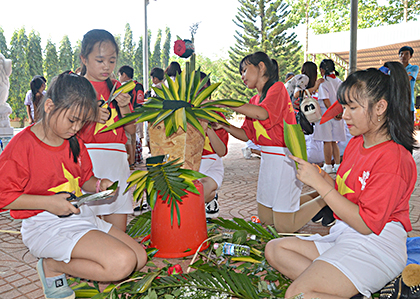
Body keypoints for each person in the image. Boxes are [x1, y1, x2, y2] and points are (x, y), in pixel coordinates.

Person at [265, 61, 417, 299]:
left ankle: (329, 285)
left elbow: (366, 224)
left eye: (352, 108)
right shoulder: (359, 142)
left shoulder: (394, 160)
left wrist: (320, 186)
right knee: (275, 249)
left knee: (298, 294)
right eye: (344, 107)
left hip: (376, 244)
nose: (344, 115)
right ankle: (343, 289)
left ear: (380, 107)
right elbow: (348, 192)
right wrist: (324, 179)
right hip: (347, 234)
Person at [0, 72, 147, 299]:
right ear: (49, 105)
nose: (76, 128)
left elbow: (84, 180)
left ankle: (77, 269)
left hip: (79, 218)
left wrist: (99, 185)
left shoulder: (74, 142)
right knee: (122, 262)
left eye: (82, 122)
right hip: (44, 225)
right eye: (72, 120)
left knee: (139, 258)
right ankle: (53, 266)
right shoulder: (23, 145)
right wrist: (48, 203)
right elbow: (4, 196)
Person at [216, 52, 325, 233]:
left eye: (245, 70)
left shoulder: (277, 88)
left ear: (261, 67)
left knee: (284, 227)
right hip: (268, 160)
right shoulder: (254, 100)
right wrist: (222, 125)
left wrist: (226, 103)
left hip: (285, 160)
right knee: (267, 220)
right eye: (240, 72)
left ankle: (326, 199)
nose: (242, 76)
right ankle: (319, 195)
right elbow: (245, 134)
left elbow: (263, 113)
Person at [78, 29, 136, 232]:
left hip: (117, 161)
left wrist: (124, 107)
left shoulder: (117, 87)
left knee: (118, 233)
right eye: (100, 60)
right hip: (87, 161)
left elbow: (131, 128)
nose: (107, 67)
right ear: (84, 59)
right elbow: (60, 127)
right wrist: (89, 115)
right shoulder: (75, 87)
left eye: (112, 61)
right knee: (85, 229)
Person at [197, 71, 229, 219]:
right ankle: (212, 198)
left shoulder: (217, 115)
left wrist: (208, 126)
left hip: (212, 164)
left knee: (197, 193)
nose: (199, 93)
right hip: (189, 165)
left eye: (203, 89)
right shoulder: (180, 114)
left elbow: (221, 151)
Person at [314, 59, 346, 174]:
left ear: (322, 70)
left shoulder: (323, 83)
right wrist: (340, 112)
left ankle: (327, 165)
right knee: (334, 141)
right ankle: (337, 165)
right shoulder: (340, 81)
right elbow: (343, 98)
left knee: (327, 141)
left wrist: (332, 112)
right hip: (338, 115)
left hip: (327, 114)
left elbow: (326, 100)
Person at [117, 65, 145, 169]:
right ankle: (134, 161)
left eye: (119, 75)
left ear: (124, 75)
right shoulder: (138, 85)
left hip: (127, 115)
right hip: (138, 114)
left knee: (128, 139)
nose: (119, 77)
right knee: (135, 138)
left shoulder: (122, 86)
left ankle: (130, 163)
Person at [399, 45, 419, 123]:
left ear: (411, 56)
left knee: (408, 130)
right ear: (399, 56)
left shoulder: (414, 68)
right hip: (396, 105)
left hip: (408, 105)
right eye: (401, 54)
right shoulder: (392, 71)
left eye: (406, 54)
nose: (403, 56)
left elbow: (408, 78)